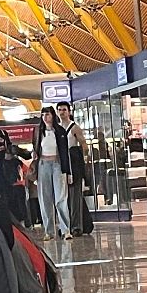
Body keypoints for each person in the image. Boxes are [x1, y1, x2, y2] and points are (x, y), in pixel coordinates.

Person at [31, 106, 74, 240]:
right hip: (43, 164)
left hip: (57, 164)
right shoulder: (38, 131)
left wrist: (67, 172)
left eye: (47, 114)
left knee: (61, 198)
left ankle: (65, 229)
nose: (45, 117)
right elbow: (35, 148)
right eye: (43, 114)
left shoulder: (60, 131)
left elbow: (64, 153)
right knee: (45, 199)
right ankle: (49, 231)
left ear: (52, 116)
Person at [56, 101, 93, 235]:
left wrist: (84, 160)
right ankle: (65, 225)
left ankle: (76, 226)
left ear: (69, 112)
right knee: (63, 197)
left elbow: (84, 144)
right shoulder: (56, 128)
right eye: (59, 110)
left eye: (64, 110)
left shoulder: (74, 127)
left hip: (74, 164)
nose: (62, 112)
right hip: (60, 164)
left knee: (75, 196)